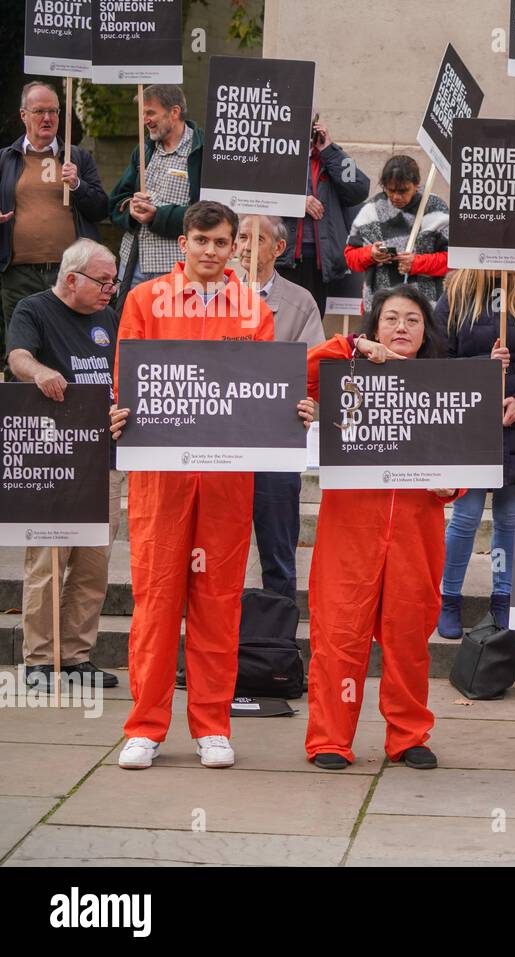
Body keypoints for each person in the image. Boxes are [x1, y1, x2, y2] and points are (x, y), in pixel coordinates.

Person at [110, 202, 313, 771]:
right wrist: (117, 411)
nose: (211, 251)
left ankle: (212, 725)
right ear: (183, 243)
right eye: (201, 239)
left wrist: (292, 408)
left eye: (222, 242)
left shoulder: (252, 308)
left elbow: (266, 388)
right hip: (161, 480)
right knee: (155, 601)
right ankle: (145, 727)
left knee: (218, 603)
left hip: (226, 476)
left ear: (234, 250)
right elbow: (126, 377)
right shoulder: (145, 301)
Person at [303, 287, 459, 770]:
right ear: (374, 328)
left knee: (409, 637)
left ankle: (408, 735)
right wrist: (349, 347)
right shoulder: (345, 375)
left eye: (413, 320)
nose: (401, 329)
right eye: (391, 319)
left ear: (425, 332)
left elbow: (463, 463)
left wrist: (451, 488)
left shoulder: (444, 389)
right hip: (350, 527)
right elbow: (299, 372)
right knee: (338, 635)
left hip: (416, 530)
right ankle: (329, 738)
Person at [4, 239, 123, 692]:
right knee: (48, 562)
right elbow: (17, 357)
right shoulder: (34, 310)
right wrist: (39, 372)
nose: (110, 290)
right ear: (71, 278)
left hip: (104, 456)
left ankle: (75, 656)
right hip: (53, 455)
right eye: (102, 281)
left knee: (93, 564)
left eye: (113, 281)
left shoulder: (110, 318)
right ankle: (39, 659)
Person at [434, 269, 515, 638]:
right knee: (465, 516)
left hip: (514, 419)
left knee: (509, 518)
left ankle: (503, 598)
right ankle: (448, 597)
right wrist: (479, 372)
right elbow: (436, 357)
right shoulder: (455, 294)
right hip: (467, 416)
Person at [235, 214, 326, 599]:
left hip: (276, 443)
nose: (244, 246)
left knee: (278, 550)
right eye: (240, 237)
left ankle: (279, 640)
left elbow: (315, 366)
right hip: (220, 442)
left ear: (279, 248)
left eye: (256, 238)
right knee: (216, 552)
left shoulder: (300, 302)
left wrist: (308, 403)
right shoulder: (210, 295)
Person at [1, 82, 108, 360]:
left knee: (72, 346)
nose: (47, 118)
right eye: (39, 111)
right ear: (23, 115)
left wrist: (78, 185)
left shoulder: (78, 157)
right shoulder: (6, 159)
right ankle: (19, 403)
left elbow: (100, 209)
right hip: (19, 273)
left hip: (72, 273)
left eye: (53, 111)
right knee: (21, 347)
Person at [107, 85, 203, 295]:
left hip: (176, 267)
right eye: (142, 113)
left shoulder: (202, 151)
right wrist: (130, 209)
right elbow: (116, 201)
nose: (145, 120)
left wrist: (157, 216)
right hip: (132, 265)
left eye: (150, 112)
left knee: (171, 328)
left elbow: (208, 214)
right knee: (130, 326)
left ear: (174, 112)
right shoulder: (144, 149)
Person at [277, 115, 371, 316]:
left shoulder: (329, 159)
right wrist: (297, 202)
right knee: (281, 322)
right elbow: (260, 194)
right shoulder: (278, 155)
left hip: (319, 260)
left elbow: (360, 188)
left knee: (311, 322)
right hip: (282, 255)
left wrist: (330, 150)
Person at [344, 155, 449, 312]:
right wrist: (370, 254)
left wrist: (417, 263)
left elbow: (454, 260)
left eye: (403, 190)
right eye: (390, 190)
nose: (396, 197)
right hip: (378, 309)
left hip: (425, 308)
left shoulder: (435, 208)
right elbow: (350, 258)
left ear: (416, 185)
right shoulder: (371, 210)